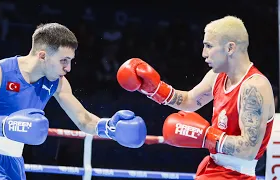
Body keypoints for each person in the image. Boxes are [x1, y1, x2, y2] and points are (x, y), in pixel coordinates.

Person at [0, 23, 147, 180]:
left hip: (15, 163)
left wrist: (110, 128)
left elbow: (84, 120)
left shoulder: (56, 83)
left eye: (70, 61)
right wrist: (6, 125)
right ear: (42, 55)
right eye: (64, 60)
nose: (68, 68)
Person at [116, 15, 274, 179]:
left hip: (237, 175)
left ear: (230, 48)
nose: (204, 53)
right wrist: (155, 90)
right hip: (213, 168)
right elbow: (189, 100)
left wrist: (207, 137)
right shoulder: (217, 76)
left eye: (209, 46)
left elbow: (249, 150)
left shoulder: (254, 87)